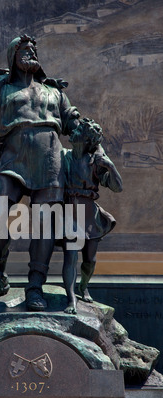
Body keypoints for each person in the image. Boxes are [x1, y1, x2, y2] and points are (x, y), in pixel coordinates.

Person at [0, 34, 80, 310]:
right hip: (13, 159)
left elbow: (75, 124)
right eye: (23, 49)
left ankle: (35, 287)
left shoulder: (55, 92)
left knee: (44, 222)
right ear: (12, 57)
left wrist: (87, 132)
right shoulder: (1, 90)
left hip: (50, 160)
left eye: (33, 49)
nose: (30, 52)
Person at [61, 118, 123, 314]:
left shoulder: (95, 161)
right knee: (71, 258)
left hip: (90, 214)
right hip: (70, 213)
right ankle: (71, 299)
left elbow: (118, 187)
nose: (73, 132)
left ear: (86, 139)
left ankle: (83, 286)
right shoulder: (64, 156)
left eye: (78, 130)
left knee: (90, 260)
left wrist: (111, 166)